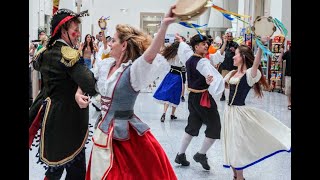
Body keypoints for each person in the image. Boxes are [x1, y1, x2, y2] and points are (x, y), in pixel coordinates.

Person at [75, 5, 177, 180]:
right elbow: (87, 79)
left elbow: (150, 55)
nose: (110, 43)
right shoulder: (105, 65)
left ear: (123, 46)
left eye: (113, 40)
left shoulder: (133, 71)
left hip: (125, 137)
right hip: (104, 132)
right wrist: (78, 93)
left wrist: (164, 26)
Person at [29, 9, 97, 180]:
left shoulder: (45, 52)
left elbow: (37, 66)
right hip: (68, 120)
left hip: (49, 117)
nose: (78, 33)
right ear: (63, 30)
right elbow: (90, 83)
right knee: (75, 169)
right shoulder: (69, 54)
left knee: (56, 167)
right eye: (75, 29)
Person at [221, 38, 291, 180]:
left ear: (243, 57)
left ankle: (239, 178)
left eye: (237, 54)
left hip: (239, 114)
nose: (233, 56)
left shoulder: (248, 75)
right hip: (228, 113)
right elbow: (222, 86)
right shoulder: (232, 74)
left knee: (236, 147)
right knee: (230, 145)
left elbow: (256, 64)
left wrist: (261, 46)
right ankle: (236, 176)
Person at [174, 33, 226, 170]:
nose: (206, 46)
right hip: (203, 99)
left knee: (193, 125)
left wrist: (181, 40)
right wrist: (214, 82)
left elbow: (184, 48)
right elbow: (212, 77)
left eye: (206, 44)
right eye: (203, 44)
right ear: (196, 47)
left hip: (192, 98)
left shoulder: (189, 59)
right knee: (215, 127)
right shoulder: (202, 62)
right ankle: (201, 154)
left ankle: (180, 154)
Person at [153, 41, 184, 122]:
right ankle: (172, 114)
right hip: (177, 77)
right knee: (176, 94)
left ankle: (164, 112)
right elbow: (183, 66)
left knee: (167, 94)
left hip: (169, 76)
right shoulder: (180, 56)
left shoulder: (170, 55)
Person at [219, 32, 239, 101]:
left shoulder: (235, 44)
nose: (229, 38)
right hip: (224, 66)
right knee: (223, 81)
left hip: (233, 67)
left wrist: (235, 51)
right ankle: (222, 95)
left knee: (232, 82)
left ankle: (232, 95)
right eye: (228, 36)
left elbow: (239, 53)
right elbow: (220, 53)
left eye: (230, 36)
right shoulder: (224, 44)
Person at [277, 45, 291, 110]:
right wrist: (282, 52)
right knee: (288, 91)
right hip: (289, 75)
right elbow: (279, 60)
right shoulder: (288, 52)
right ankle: (289, 104)